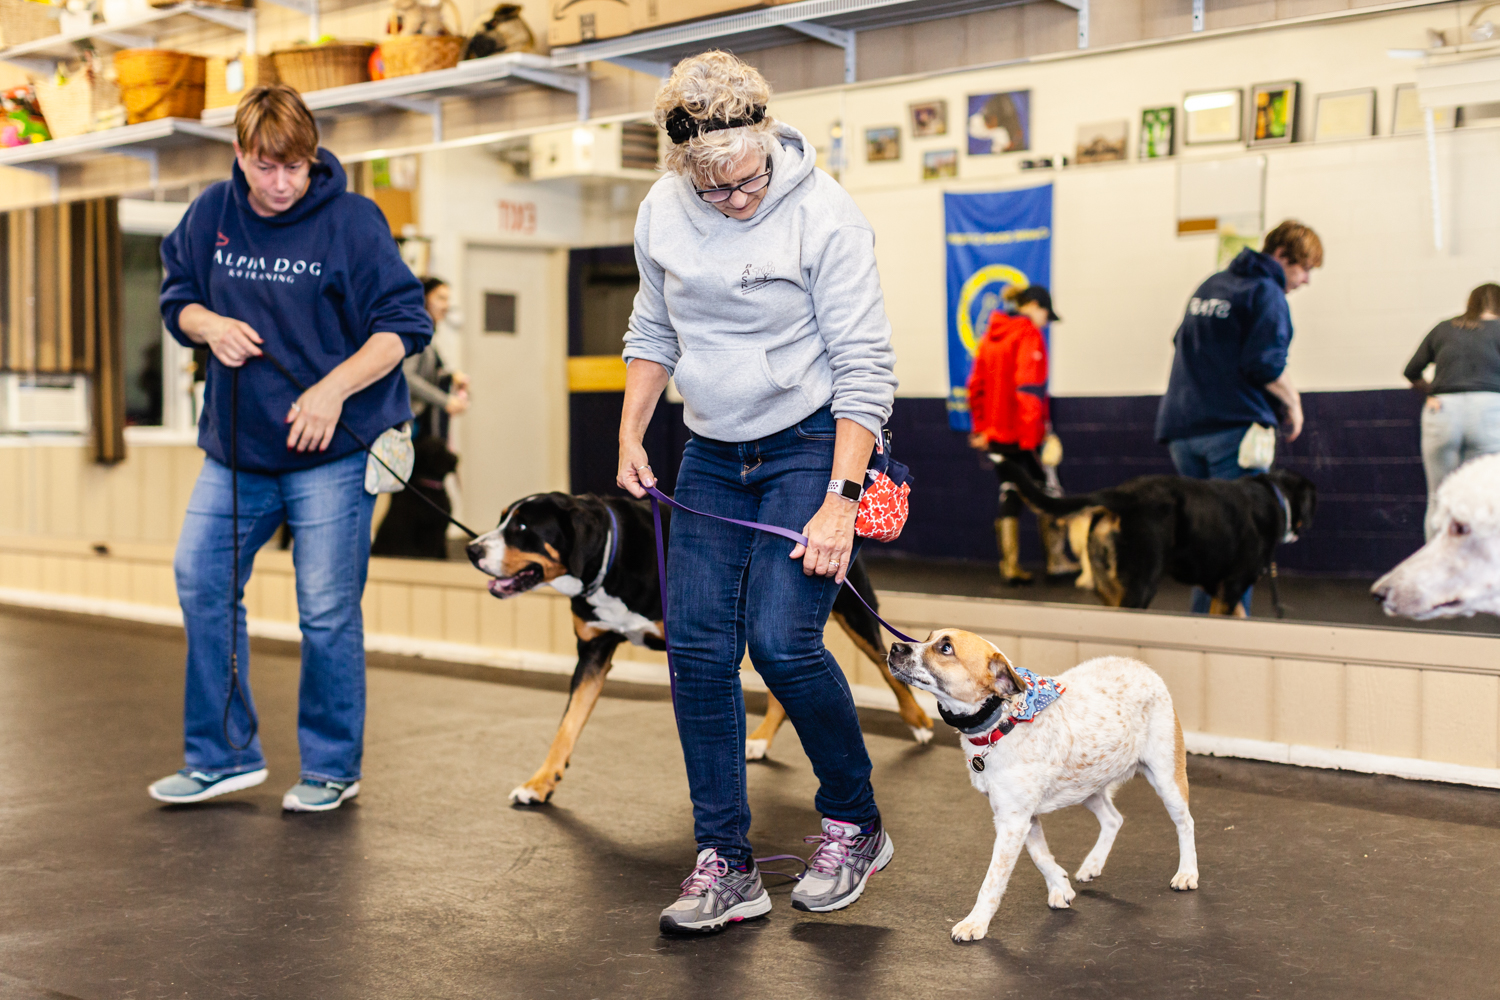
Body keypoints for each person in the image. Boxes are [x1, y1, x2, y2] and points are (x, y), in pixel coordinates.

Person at [616, 51, 899, 935]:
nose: (734, 202)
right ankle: (725, 863)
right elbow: (654, 325)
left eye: (745, 184)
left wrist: (840, 500)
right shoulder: (664, 207)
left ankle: (855, 821)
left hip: (811, 442)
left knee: (782, 640)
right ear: (682, 170)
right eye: (715, 192)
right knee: (696, 651)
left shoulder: (826, 216)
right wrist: (631, 429)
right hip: (709, 446)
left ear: (767, 141)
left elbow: (865, 368)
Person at [148, 84, 432, 811]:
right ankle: (222, 756)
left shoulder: (353, 221)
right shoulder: (213, 211)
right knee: (200, 582)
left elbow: (405, 326)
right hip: (237, 451)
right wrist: (208, 324)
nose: (282, 185)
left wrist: (333, 389)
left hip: (333, 450)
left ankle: (332, 766)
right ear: (240, 156)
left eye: (297, 168)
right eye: (267, 168)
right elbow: (177, 297)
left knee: (328, 609)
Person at [1155, 220, 1322, 615]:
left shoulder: (1210, 284)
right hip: (1234, 432)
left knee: (1202, 538)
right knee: (1236, 543)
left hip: (1183, 429)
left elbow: (1181, 341)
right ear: (1281, 257)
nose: (1306, 280)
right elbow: (1265, 364)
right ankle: (1222, 638)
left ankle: (1201, 628)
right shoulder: (1267, 293)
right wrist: (1294, 403)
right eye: (1304, 268)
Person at [966, 284, 1077, 584]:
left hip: (996, 436)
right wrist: (1035, 439)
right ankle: (1056, 562)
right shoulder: (1028, 333)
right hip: (1022, 435)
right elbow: (1028, 390)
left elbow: (975, 387)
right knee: (1050, 491)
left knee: (1010, 490)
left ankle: (1010, 566)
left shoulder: (991, 334)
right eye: (1046, 314)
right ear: (1035, 306)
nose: (1045, 321)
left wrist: (980, 429)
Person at [1403, 282, 1500, 538]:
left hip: (1442, 410)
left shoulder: (1444, 328)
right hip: (1489, 411)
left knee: (1439, 497)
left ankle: (1436, 573)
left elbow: (1411, 371)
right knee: (1487, 498)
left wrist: (1431, 392)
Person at [405, 276, 470, 441]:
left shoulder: (427, 332)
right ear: (424, 298)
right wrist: (445, 401)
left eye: (447, 300)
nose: (446, 306)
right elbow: (408, 376)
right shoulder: (416, 331)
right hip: (406, 419)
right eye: (441, 298)